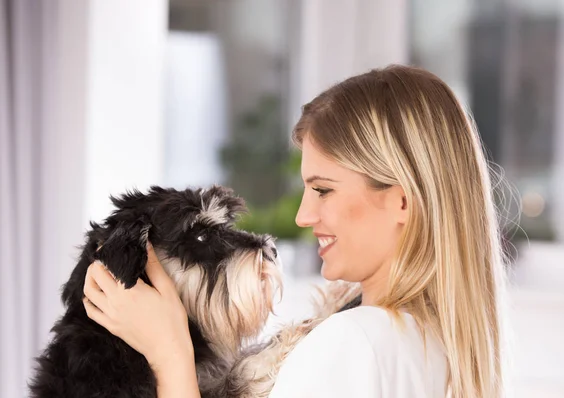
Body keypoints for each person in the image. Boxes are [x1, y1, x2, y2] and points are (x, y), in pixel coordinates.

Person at [83, 64, 510, 397]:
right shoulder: (435, 344)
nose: (303, 217)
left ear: (402, 200)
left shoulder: (350, 344)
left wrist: (170, 356)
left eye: (323, 190)